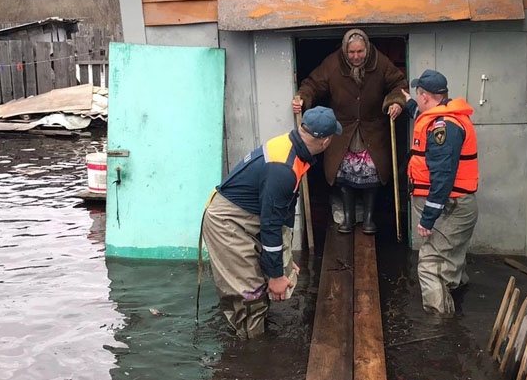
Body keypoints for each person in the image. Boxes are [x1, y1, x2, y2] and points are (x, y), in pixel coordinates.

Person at [202, 106, 342, 338]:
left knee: (259, 285)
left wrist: (284, 260)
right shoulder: (282, 168)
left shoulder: (291, 147)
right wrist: (276, 276)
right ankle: (253, 355)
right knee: (251, 293)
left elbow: (282, 215)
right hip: (227, 223)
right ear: (326, 142)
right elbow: (270, 224)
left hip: (247, 218)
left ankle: (252, 338)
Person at [291, 28, 408, 235]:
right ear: (345, 50)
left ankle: (370, 219)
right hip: (342, 129)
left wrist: (396, 101)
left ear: (367, 48)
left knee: (373, 175)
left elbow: (399, 84)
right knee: (343, 174)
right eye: (351, 52)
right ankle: (349, 217)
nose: (356, 56)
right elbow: (312, 84)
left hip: (373, 127)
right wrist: (302, 97)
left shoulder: (380, 62)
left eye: (360, 52)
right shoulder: (332, 64)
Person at [396, 69, 479, 316]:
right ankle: (457, 296)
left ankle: (439, 327)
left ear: (425, 97)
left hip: (449, 206)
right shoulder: (443, 115)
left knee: (430, 266)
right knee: (450, 257)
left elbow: (443, 177)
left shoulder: (445, 128)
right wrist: (409, 104)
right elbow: (424, 117)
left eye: (418, 95)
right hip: (453, 205)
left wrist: (428, 218)